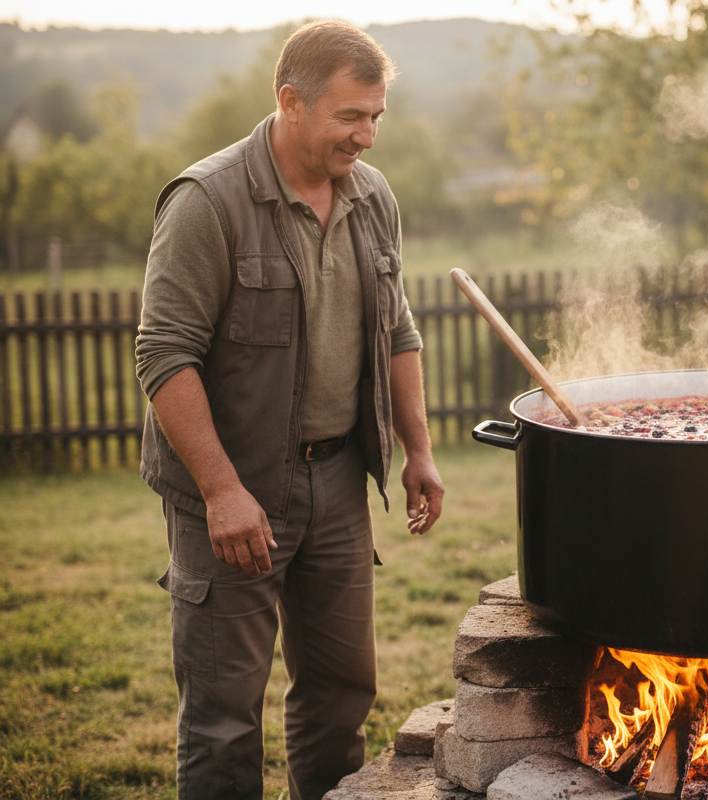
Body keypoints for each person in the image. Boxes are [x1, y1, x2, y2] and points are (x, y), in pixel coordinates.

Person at [134, 20, 445, 800]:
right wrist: (219, 490)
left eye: (376, 115)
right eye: (351, 116)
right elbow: (164, 355)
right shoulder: (207, 201)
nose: (367, 136)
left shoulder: (373, 198)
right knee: (223, 722)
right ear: (290, 102)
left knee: (341, 702)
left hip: (339, 482)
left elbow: (397, 329)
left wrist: (419, 450)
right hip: (234, 494)